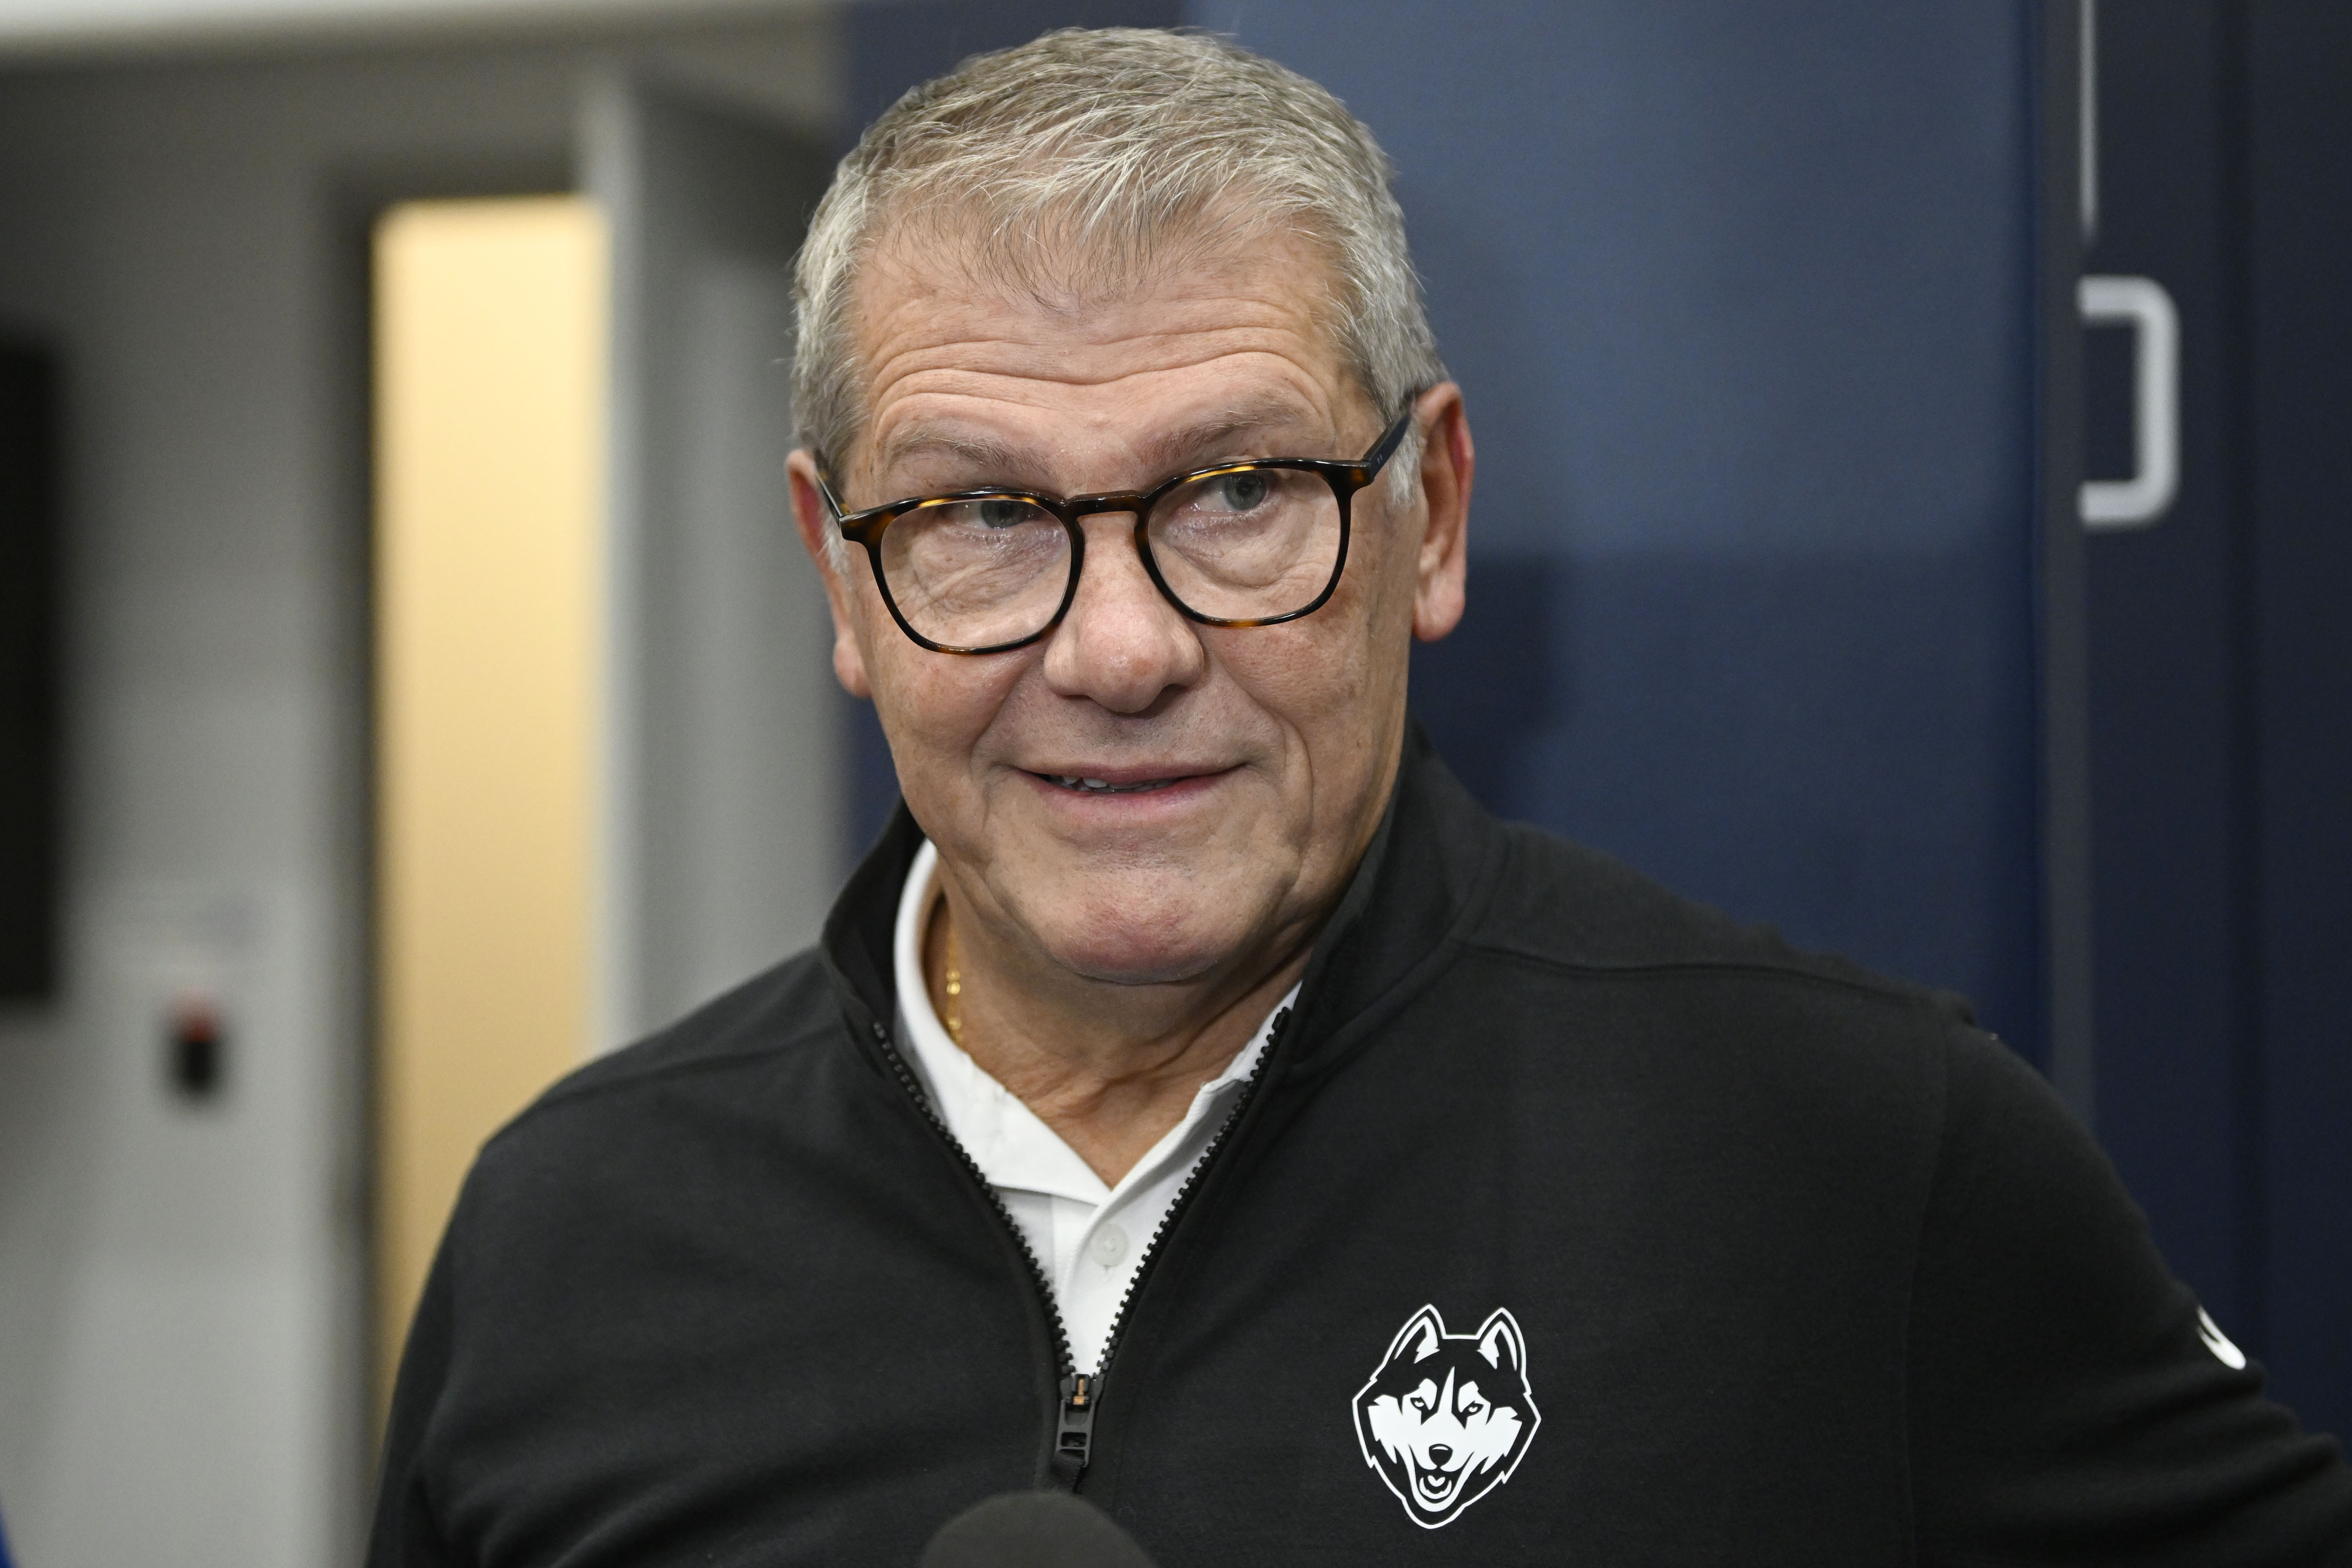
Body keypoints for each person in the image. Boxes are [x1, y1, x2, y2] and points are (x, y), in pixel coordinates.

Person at [368, 27, 2352, 1567]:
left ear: (1433, 516)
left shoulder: (1854, 1158)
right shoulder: (572, 1238)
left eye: (1239, 491)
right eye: (981, 515)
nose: (1120, 649)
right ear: (839, 577)